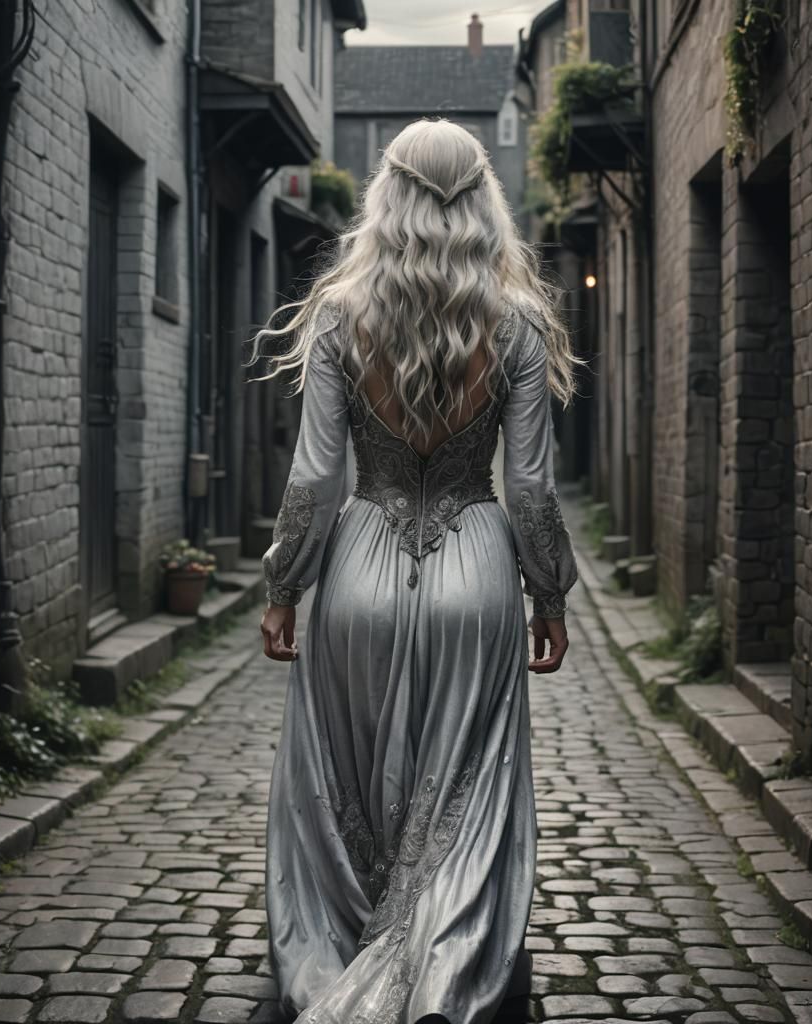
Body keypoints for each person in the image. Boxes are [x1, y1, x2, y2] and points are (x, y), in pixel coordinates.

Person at [248, 118, 580, 1024]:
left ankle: (348, 953)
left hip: (359, 566)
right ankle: (445, 972)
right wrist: (548, 594)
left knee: (348, 784)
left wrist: (284, 586)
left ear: (384, 197)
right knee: (468, 788)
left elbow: (315, 477)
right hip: (478, 567)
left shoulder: (336, 316)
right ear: (483, 200)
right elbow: (532, 487)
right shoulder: (519, 324)